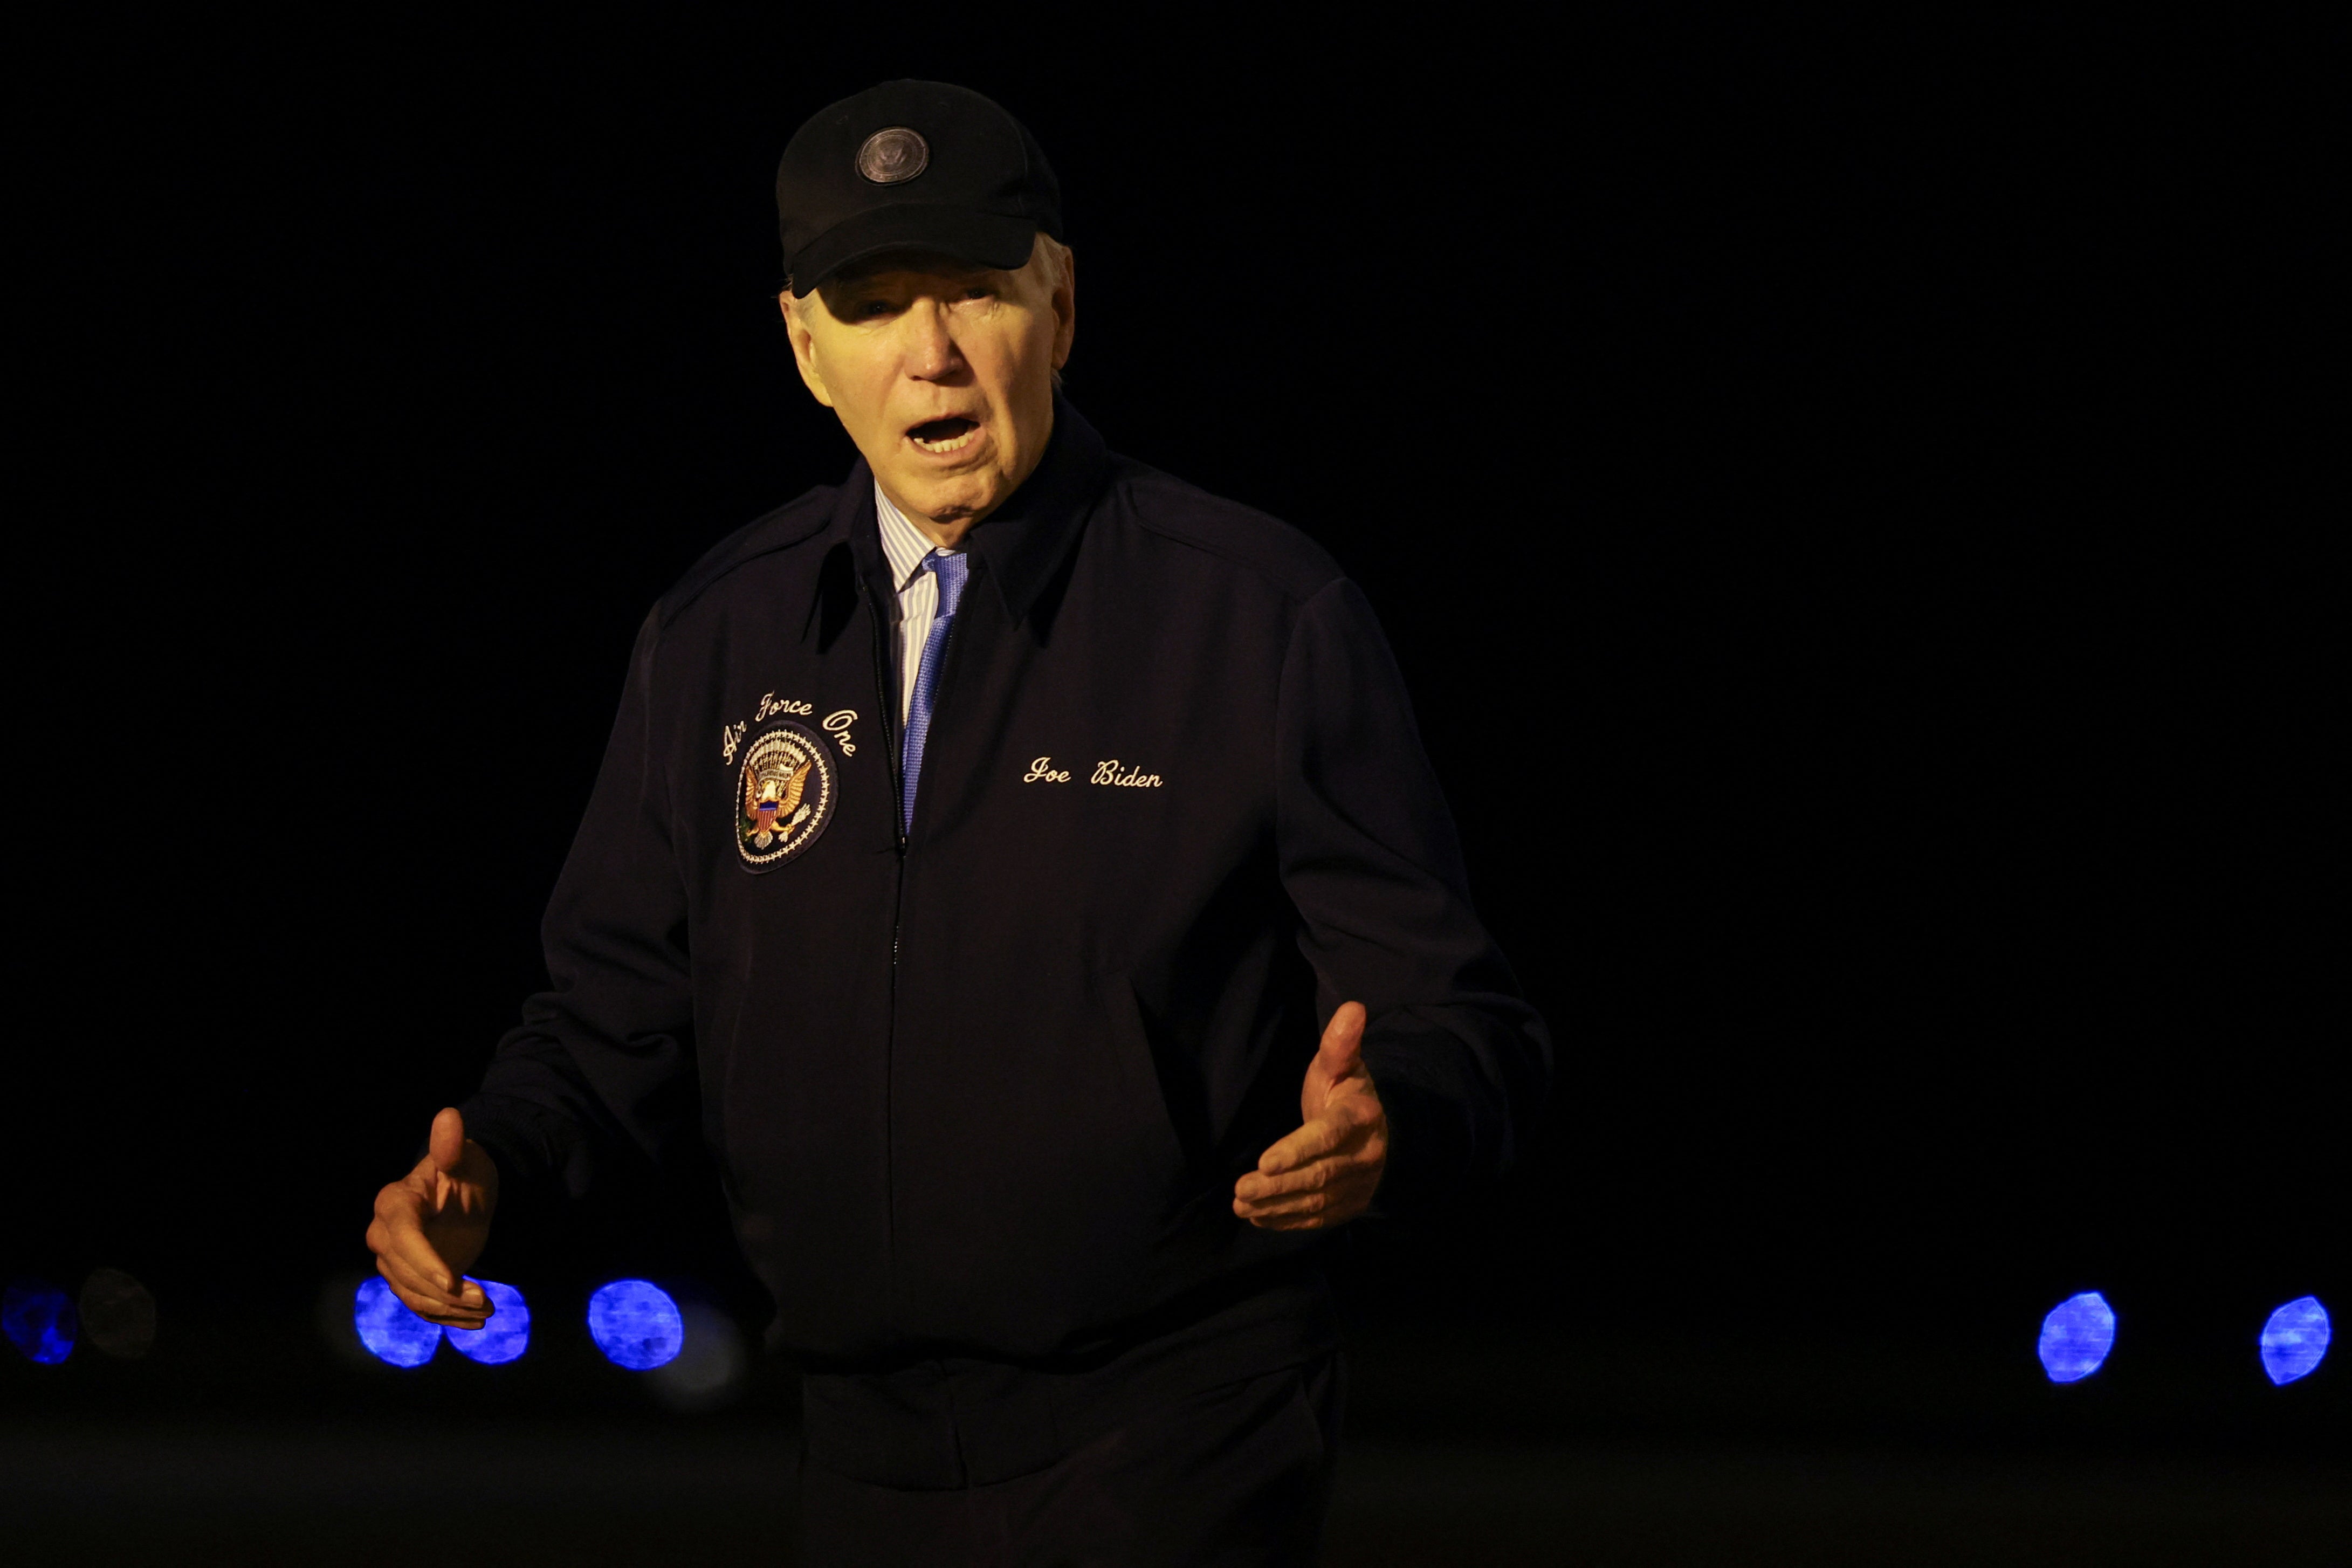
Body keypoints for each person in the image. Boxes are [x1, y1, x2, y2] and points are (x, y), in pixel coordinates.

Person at [366, 78, 1551, 1565]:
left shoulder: (1258, 616)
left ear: (1058, 305)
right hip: (854, 1453)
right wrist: (495, 1162)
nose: (930, 354)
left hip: (1174, 1429)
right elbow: (614, 1007)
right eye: (872, 307)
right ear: (805, 347)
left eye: (976, 293)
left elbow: (1463, 1019)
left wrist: (1398, 1116)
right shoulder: (716, 636)